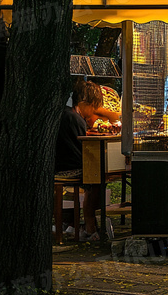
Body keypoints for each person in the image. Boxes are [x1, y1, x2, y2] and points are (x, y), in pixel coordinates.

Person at [55, 80, 106, 241]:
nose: (93, 112)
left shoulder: (68, 114)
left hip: (59, 164)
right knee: (97, 176)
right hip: (66, 167)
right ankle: (90, 226)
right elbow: (78, 151)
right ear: (84, 103)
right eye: (92, 107)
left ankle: (73, 222)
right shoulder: (74, 118)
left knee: (96, 175)